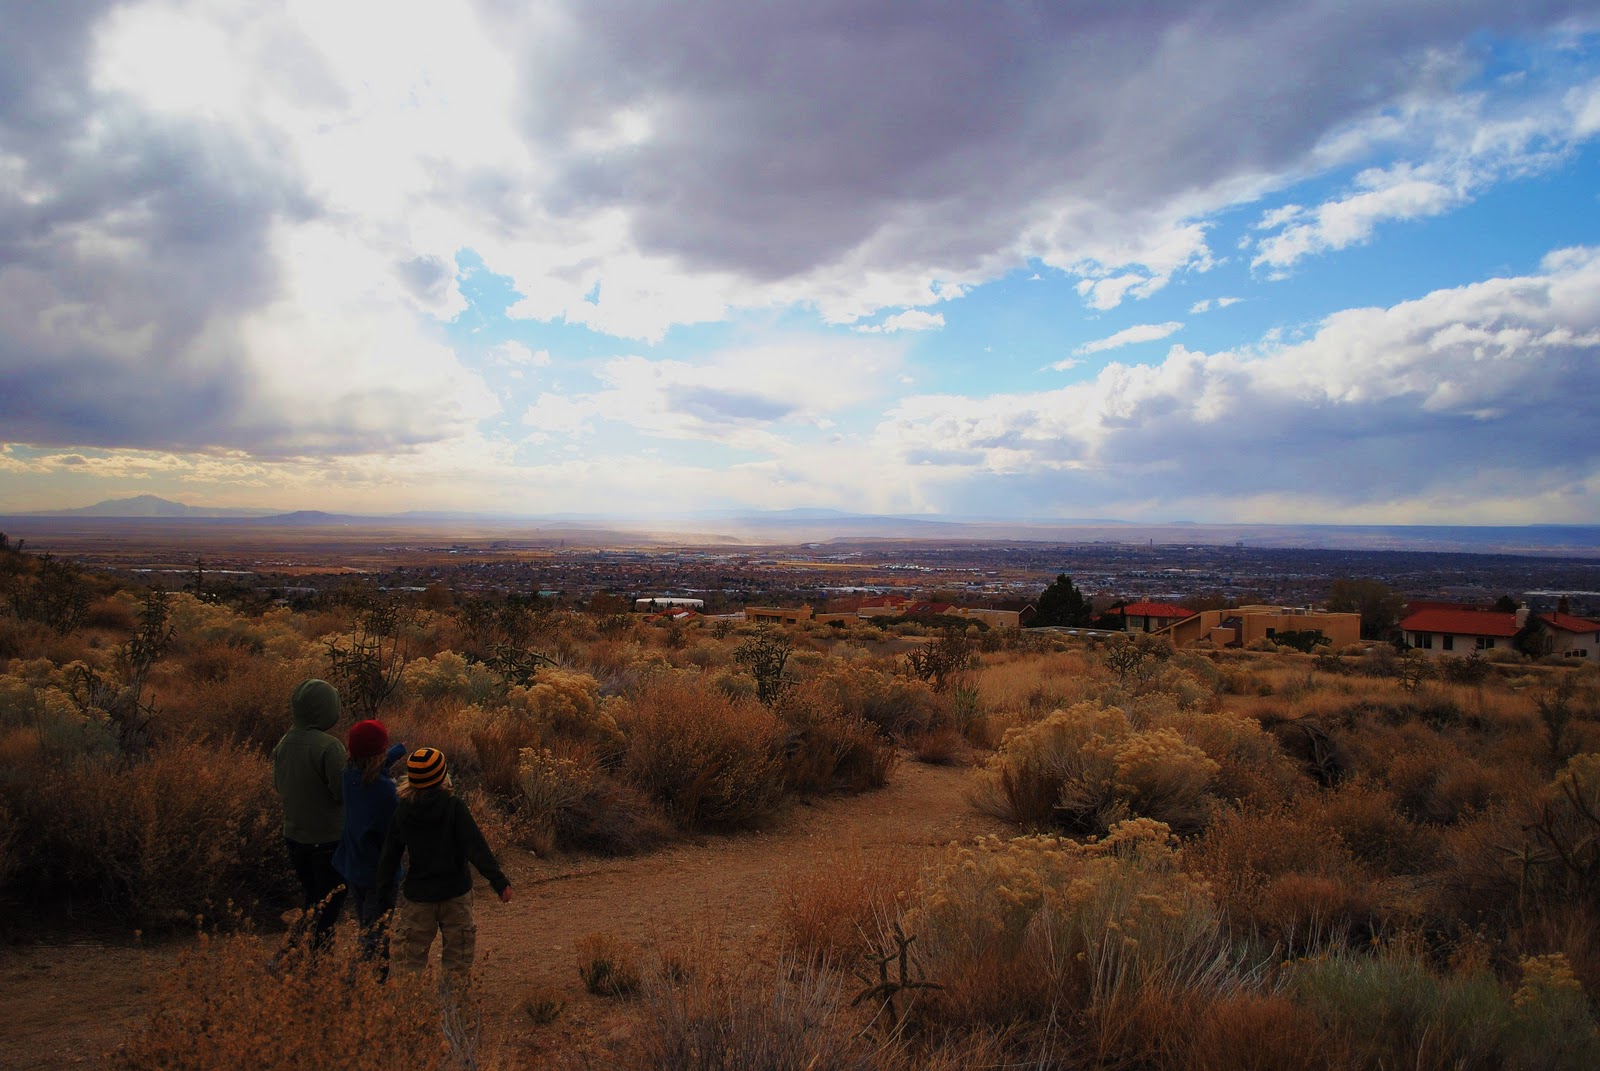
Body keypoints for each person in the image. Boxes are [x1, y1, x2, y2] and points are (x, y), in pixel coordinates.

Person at [378, 747, 512, 986]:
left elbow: (390, 855)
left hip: (419, 897)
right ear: (442, 776)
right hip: (455, 894)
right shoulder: (453, 806)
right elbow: (475, 846)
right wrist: (498, 881)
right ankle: (453, 1006)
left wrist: (382, 892)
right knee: (457, 961)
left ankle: (404, 1006)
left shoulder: (403, 811)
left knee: (408, 962)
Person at [271, 678, 347, 951]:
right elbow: (341, 792)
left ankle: (296, 954)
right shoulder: (329, 747)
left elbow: (278, 785)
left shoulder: (284, 743)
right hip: (327, 838)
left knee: (314, 899)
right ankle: (314, 959)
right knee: (329, 905)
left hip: (295, 836)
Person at [332, 719, 407, 977]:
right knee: (376, 932)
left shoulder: (348, 778)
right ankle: (363, 981)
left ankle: (370, 978)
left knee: (367, 923)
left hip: (354, 866)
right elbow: (396, 832)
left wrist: (396, 751)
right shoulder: (387, 792)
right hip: (379, 873)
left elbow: (371, 771)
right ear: (380, 754)